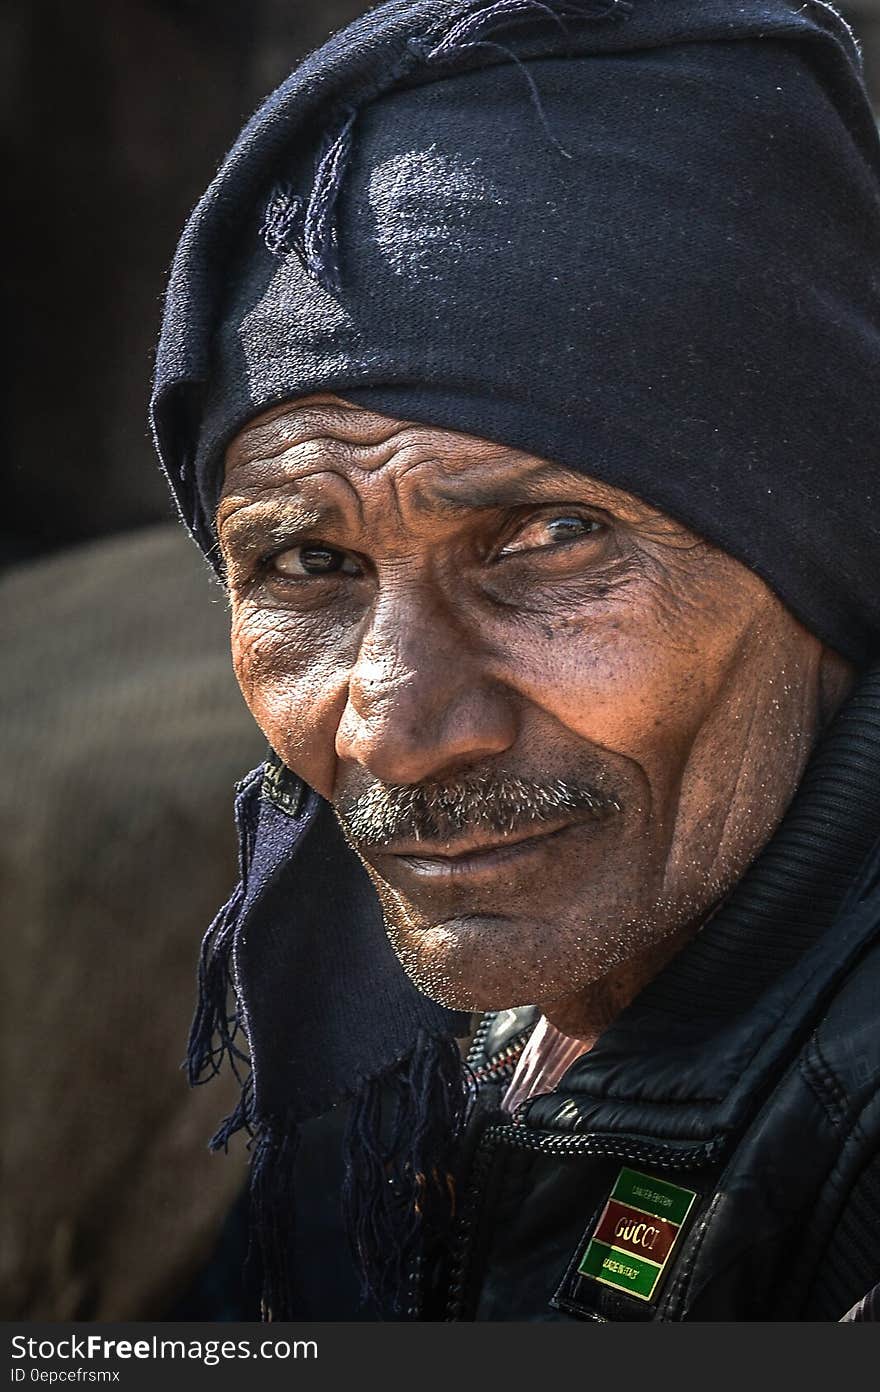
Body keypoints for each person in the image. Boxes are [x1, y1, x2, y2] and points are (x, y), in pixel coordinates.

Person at [150, 0, 880, 1321]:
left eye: (549, 539)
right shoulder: (378, 1047)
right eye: (308, 564)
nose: (394, 731)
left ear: (821, 548)